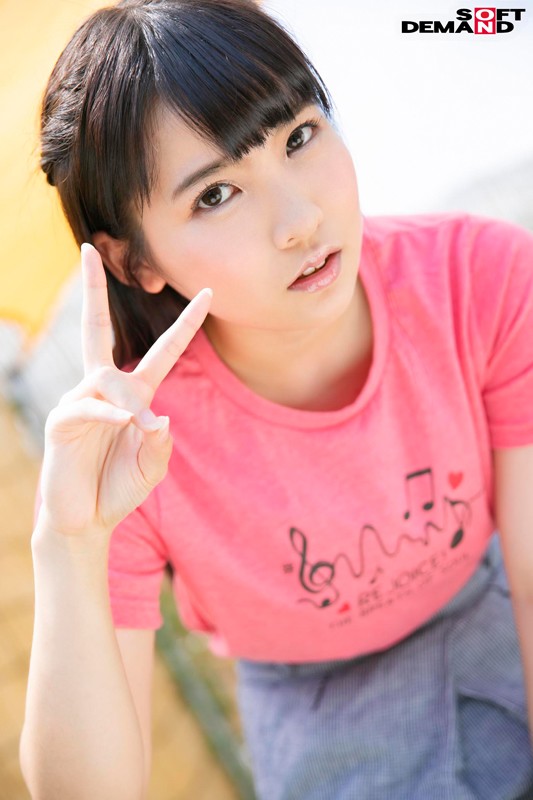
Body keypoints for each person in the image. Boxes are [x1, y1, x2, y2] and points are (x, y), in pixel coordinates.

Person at [19, 0, 533, 798]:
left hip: (492, 601)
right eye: (215, 195)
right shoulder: (134, 441)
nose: (298, 220)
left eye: (298, 137)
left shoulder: (476, 279)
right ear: (134, 262)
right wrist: (70, 543)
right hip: (314, 706)